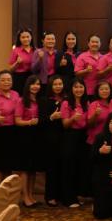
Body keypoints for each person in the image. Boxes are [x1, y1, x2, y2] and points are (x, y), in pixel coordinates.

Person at [60, 79, 89, 208]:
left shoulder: (86, 103)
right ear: (71, 89)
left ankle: (78, 195)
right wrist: (73, 118)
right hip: (70, 136)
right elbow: (65, 124)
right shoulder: (66, 103)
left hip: (83, 137)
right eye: (76, 87)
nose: (78, 89)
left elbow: (88, 122)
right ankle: (68, 198)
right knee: (69, 167)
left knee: (80, 167)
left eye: (81, 87)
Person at [15, 75, 41, 206]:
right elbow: (17, 120)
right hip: (24, 136)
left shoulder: (39, 100)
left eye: (38, 84)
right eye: (33, 84)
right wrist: (29, 122)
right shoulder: (21, 100)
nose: (36, 86)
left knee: (33, 168)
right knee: (25, 168)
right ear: (28, 86)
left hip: (36, 136)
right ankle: (25, 197)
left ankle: (31, 195)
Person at [39, 75, 65, 206]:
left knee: (62, 167)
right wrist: (52, 117)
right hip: (50, 138)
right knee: (52, 168)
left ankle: (60, 194)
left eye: (60, 84)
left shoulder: (66, 99)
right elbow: (41, 121)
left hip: (64, 137)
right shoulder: (45, 100)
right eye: (55, 84)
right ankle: (50, 196)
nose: (58, 86)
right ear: (50, 86)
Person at [87, 81, 112, 146]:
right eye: (101, 89)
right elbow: (90, 124)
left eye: (106, 89)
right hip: (95, 140)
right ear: (97, 91)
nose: (104, 91)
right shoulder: (94, 104)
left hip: (110, 139)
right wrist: (95, 114)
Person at [9, 28, 34, 95]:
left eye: (27, 37)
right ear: (19, 39)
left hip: (32, 77)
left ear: (31, 37)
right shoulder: (15, 51)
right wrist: (17, 63)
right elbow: (10, 69)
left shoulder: (35, 50)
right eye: (23, 37)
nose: (26, 39)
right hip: (19, 78)